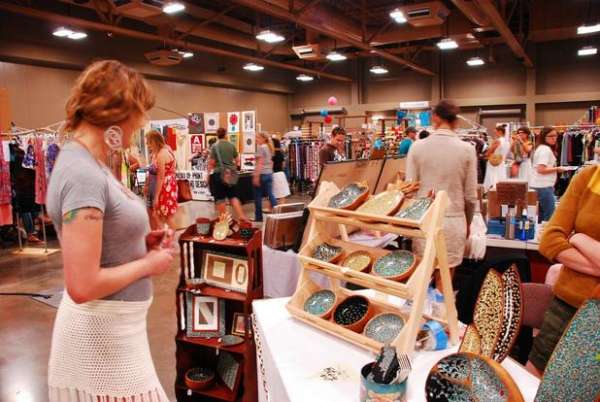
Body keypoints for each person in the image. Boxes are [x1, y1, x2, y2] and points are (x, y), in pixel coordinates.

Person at [45, 60, 174, 401]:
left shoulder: (90, 164)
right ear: (118, 111)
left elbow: (103, 240)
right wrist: (148, 265)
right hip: (101, 340)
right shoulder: (83, 173)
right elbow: (82, 285)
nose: (140, 125)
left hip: (114, 335)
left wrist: (138, 244)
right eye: (139, 114)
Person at [526, 165, 600, 377]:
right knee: (536, 379)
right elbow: (550, 240)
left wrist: (578, 238)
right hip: (566, 309)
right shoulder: (588, 177)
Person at [406, 99, 478, 270]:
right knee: (446, 278)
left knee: (423, 276)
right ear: (455, 121)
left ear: (434, 117)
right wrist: (467, 222)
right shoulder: (467, 149)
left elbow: (409, 189)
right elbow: (471, 197)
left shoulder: (417, 147)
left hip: (424, 221)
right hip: (454, 222)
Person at [208, 128, 247, 220]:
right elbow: (237, 160)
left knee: (220, 199)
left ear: (217, 135)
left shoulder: (214, 146)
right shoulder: (231, 145)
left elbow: (211, 163)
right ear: (225, 135)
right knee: (233, 197)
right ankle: (242, 217)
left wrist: (208, 175)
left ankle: (224, 221)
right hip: (231, 173)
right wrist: (231, 168)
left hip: (219, 174)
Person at [530, 126, 567, 222]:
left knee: (542, 215)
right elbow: (541, 169)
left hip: (540, 185)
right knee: (550, 215)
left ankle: (542, 230)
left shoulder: (541, 148)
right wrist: (557, 169)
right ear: (544, 137)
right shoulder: (545, 150)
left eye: (555, 136)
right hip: (543, 186)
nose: (554, 138)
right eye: (551, 136)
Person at [146, 130, 178, 229]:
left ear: (154, 141)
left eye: (149, 142)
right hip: (168, 185)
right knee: (162, 216)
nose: (147, 145)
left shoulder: (161, 154)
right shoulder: (165, 150)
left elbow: (160, 177)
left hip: (165, 187)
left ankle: (173, 237)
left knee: (165, 216)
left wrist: (156, 196)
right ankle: (166, 236)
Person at [253, 132, 278, 222]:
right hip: (269, 173)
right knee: (270, 195)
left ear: (263, 139)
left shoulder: (261, 148)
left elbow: (259, 163)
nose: (256, 139)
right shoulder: (269, 147)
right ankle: (278, 213)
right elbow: (271, 162)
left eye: (258, 138)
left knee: (257, 197)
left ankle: (258, 217)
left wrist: (256, 176)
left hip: (262, 174)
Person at [483, 124, 509, 191]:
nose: (495, 134)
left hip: (494, 162)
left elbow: (489, 151)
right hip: (502, 162)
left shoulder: (497, 141)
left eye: (495, 132)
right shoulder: (507, 142)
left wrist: (485, 154)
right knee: (500, 178)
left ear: (500, 132)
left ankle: (491, 192)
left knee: (493, 178)